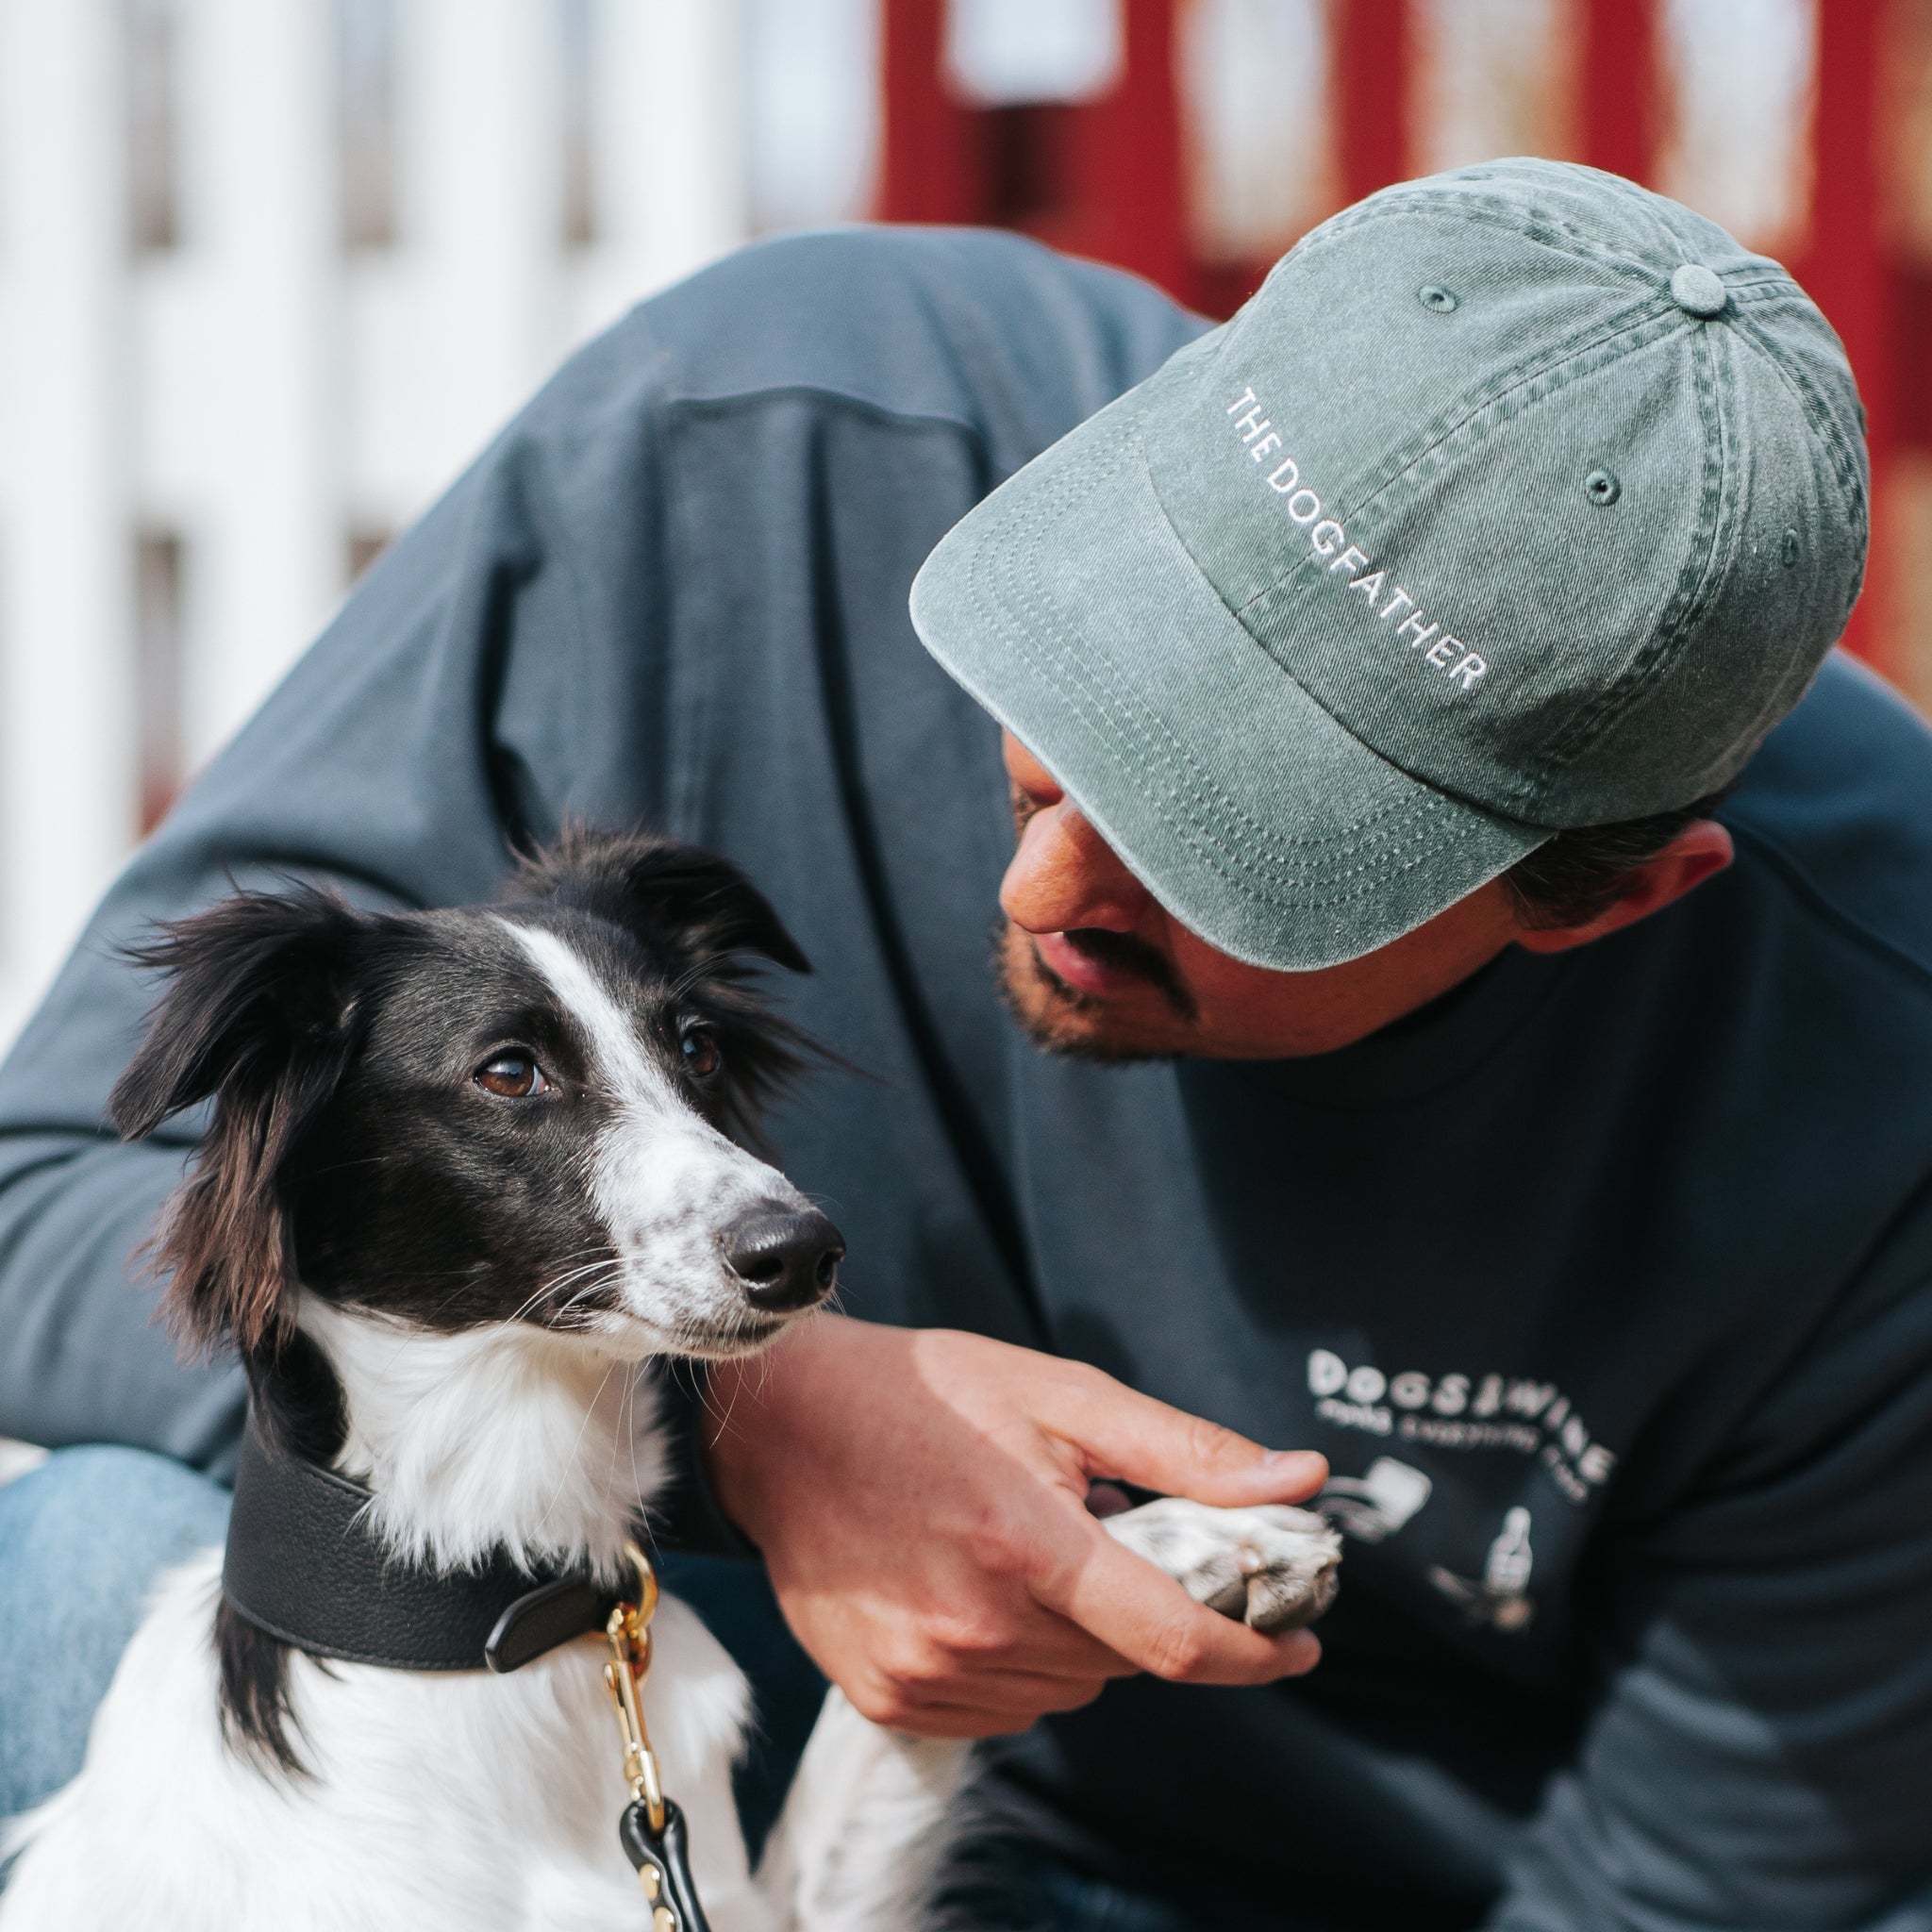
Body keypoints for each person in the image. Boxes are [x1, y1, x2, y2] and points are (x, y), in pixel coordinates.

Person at [2, 158, 1929, 1928]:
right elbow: (41, 1194)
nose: (1039, 879)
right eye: (1078, 683)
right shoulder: (753, 441)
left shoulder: (1875, 1060)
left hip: (1357, 1891)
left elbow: (1692, 1889)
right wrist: (768, 1419)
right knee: (109, 1561)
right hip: (667, 1739)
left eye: (1219, 835)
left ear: (1598, 897)